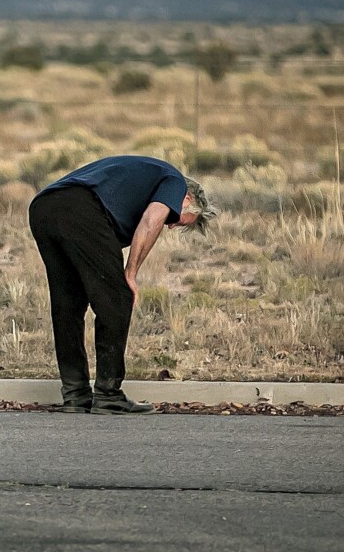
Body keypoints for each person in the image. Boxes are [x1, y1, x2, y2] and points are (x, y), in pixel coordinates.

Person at [28, 155, 217, 414]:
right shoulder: (175, 181)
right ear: (187, 198)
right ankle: (109, 395)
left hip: (43, 208)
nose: (171, 225)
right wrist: (130, 273)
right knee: (118, 298)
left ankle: (75, 396)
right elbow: (151, 221)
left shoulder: (142, 179)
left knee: (68, 304)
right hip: (80, 208)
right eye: (178, 218)